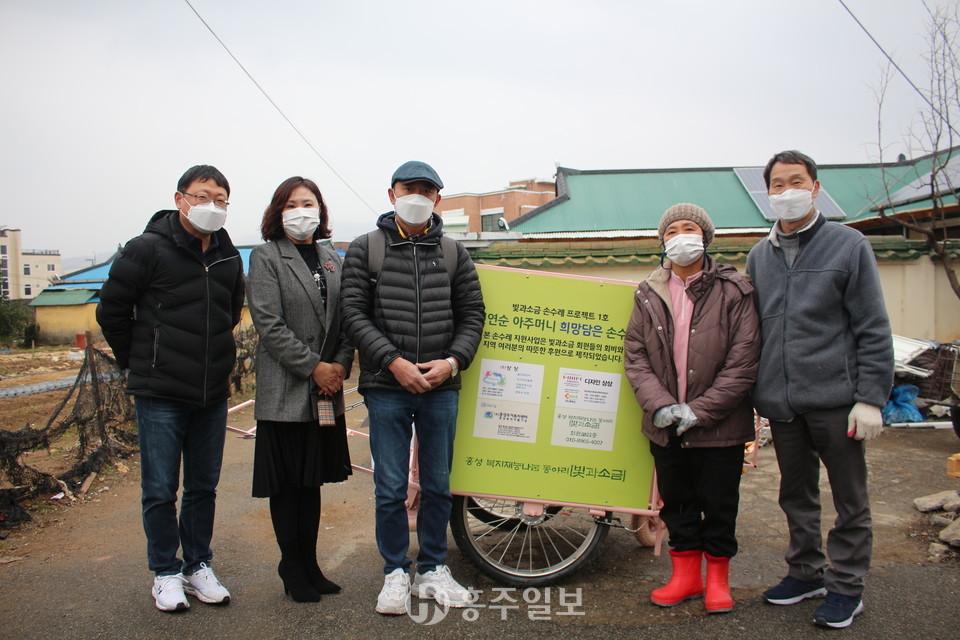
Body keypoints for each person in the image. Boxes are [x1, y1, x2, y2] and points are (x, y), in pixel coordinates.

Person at [747, 150, 894, 629]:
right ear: (767, 192)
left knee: (850, 498)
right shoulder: (759, 256)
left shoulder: (847, 245)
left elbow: (872, 325)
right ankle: (805, 572)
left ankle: (846, 586)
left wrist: (871, 397)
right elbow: (755, 331)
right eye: (777, 184)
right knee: (796, 494)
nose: (787, 191)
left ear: (815, 188)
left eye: (797, 181)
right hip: (783, 402)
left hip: (837, 400)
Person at [96, 165, 244, 612]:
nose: (211, 206)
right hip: (160, 392)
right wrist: (140, 361)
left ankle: (198, 565)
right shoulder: (146, 249)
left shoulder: (228, 255)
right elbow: (112, 311)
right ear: (180, 199)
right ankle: (165, 572)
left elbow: (231, 310)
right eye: (202, 196)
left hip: (211, 393)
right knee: (161, 488)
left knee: (203, 487)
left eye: (220, 199)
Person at [341, 161, 485, 615]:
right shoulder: (366, 248)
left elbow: (473, 315)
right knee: (390, 486)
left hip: (441, 386)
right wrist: (394, 361)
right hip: (386, 385)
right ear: (392, 194)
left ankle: (433, 568)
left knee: (439, 484)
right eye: (410, 189)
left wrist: (451, 362)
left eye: (427, 190)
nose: (418, 197)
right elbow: (353, 314)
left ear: (438, 198)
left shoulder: (454, 252)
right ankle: (394, 572)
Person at [624, 203, 760, 614]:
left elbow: (743, 361)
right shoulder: (648, 292)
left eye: (690, 228)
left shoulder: (736, 290)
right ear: (662, 241)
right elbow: (635, 356)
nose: (680, 236)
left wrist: (700, 410)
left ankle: (717, 580)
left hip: (721, 426)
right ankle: (685, 577)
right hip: (665, 426)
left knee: (719, 504)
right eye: (672, 231)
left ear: (706, 237)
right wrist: (661, 405)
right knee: (677, 502)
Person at [246, 177, 354, 603]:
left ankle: (310, 563)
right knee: (287, 484)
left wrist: (340, 364)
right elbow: (269, 324)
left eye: (308, 203)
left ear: (320, 210)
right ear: (278, 211)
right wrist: (315, 368)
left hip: (326, 389)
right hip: (287, 387)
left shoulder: (332, 258)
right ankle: (291, 564)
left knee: (311, 483)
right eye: (292, 204)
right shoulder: (266, 257)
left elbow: (346, 319)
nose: (301, 211)